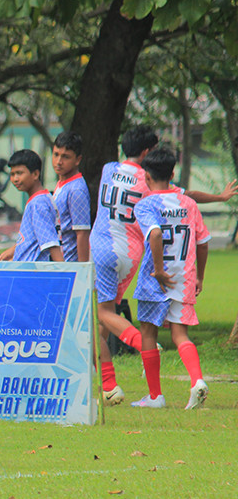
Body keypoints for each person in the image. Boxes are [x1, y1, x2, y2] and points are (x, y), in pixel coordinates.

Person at [90, 125, 236, 405]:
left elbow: (155, 227)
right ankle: (110, 385)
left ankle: (142, 369)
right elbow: (189, 200)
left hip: (112, 251)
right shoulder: (167, 193)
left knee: (105, 315)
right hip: (140, 259)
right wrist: (219, 198)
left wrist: (156, 269)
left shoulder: (109, 169)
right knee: (122, 324)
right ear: (147, 153)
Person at [129, 145, 210, 409]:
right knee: (179, 334)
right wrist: (199, 276)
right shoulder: (189, 203)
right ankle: (197, 381)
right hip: (185, 277)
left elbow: (154, 235)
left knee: (148, 332)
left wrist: (159, 270)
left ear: (147, 177)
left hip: (157, 278)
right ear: (172, 173)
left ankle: (155, 396)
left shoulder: (146, 204)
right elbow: (203, 241)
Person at [0, 149, 64, 262]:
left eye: (19, 173)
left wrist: (63, 273)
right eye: (12, 174)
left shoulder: (38, 204)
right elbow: (33, 239)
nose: (15, 179)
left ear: (35, 174)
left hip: (34, 274)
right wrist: (14, 250)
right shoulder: (42, 198)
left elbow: (51, 244)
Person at [50, 131, 91, 262]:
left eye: (65, 157)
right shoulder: (62, 183)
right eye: (56, 154)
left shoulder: (76, 189)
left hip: (68, 263)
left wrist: (82, 271)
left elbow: (82, 233)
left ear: (78, 160)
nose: (59, 161)